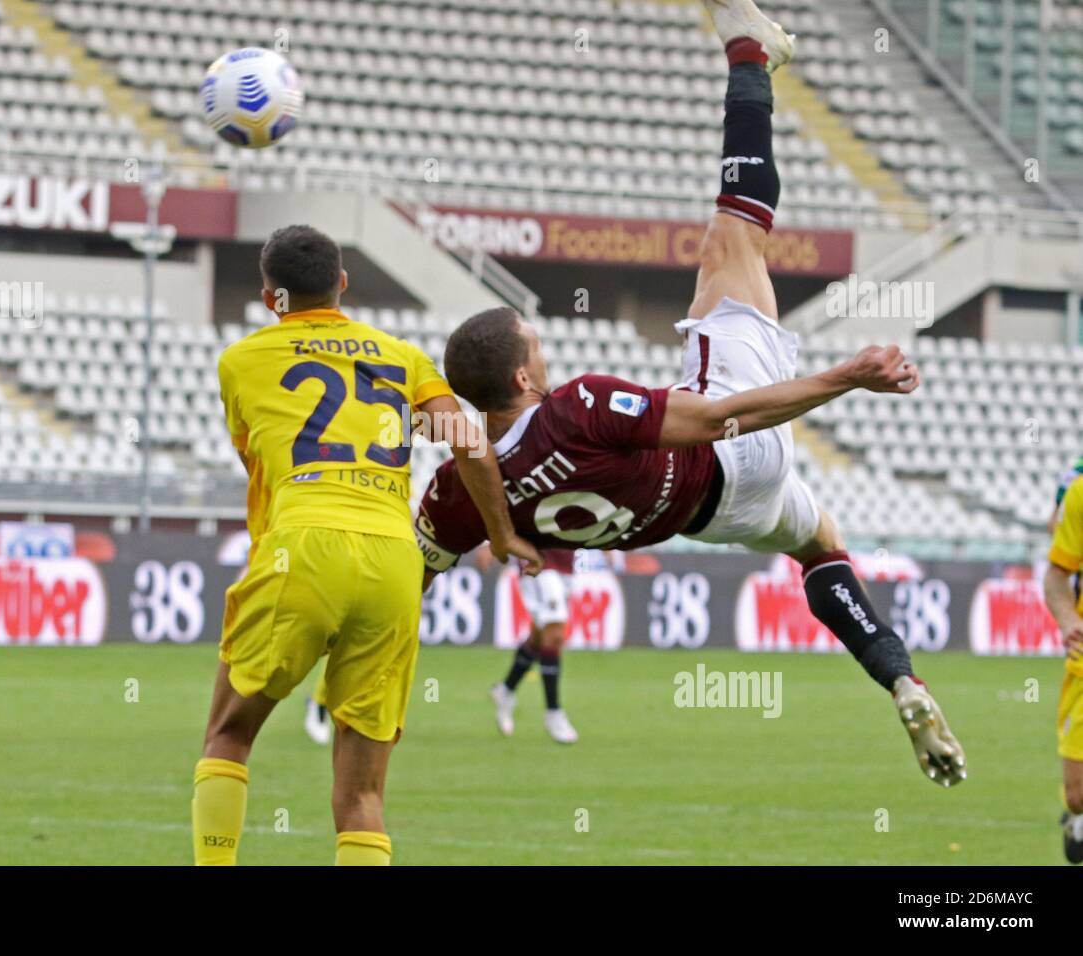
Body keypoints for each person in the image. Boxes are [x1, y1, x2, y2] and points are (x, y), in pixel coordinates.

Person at [412, 0, 966, 787]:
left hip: (718, 521)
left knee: (821, 547)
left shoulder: (464, 490)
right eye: (537, 344)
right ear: (522, 379)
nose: (549, 347)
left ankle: (900, 676)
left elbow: (414, 571)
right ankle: (748, 53)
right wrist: (849, 375)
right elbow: (720, 416)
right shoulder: (578, 409)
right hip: (729, 455)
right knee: (732, 239)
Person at [193, 224, 540, 866]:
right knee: (362, 795)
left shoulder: (239, 361)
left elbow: (261, 465)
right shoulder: (404, 358)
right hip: (393, 560)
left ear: (273, 297)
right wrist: (501, 533)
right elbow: (469, 444)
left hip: (304, 547)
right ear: (343, 284)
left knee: (228, 735)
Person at [492, 549, 580, 743]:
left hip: (565, 555)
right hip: (536, 555)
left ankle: (505, 690)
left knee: (540, 636)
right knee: (555, 632)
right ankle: (553, 711)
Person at [1042, 474, 1083, 863]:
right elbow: (1056, 576)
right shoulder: (1080, 494)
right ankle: (1078, 820)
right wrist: (1069, 619)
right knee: (1078, 795)